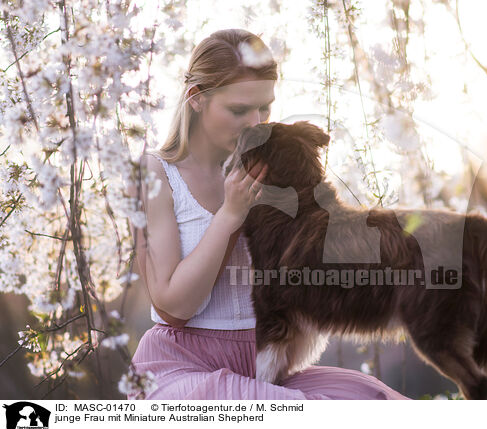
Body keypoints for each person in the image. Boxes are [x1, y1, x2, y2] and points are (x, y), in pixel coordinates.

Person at [127, 28, 410, 400]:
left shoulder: (280, 162)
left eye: (265, 107)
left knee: (383, 406)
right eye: (239, 109)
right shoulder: (156, 174)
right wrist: (231, 215)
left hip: (268, 367)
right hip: (183, 369)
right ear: (196, 99)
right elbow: (173, 308)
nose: (256, 123)